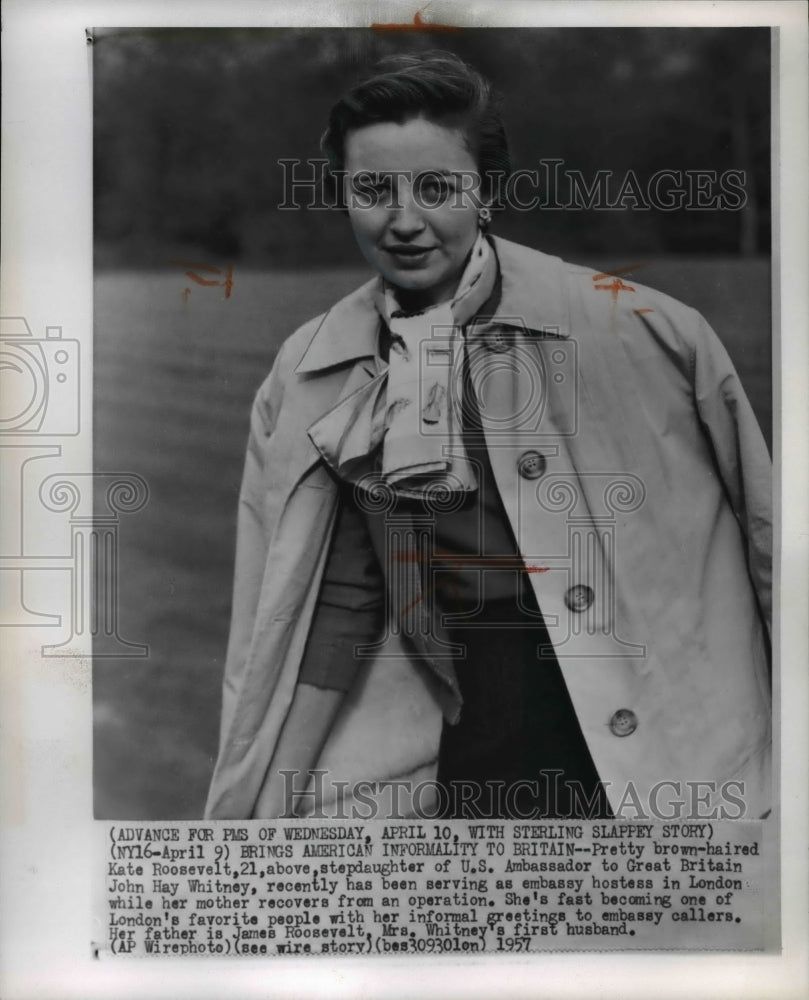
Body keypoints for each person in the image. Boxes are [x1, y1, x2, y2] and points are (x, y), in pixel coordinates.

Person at [205, 51, 771, 821]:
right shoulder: (315, 370)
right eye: (373, 189)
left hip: (672, 720)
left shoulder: (648, 333)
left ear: (488, 192)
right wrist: (266, 805)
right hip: (485, 725)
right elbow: (342, 595)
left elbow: (769, 546)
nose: (404, 221)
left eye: (436, 187)